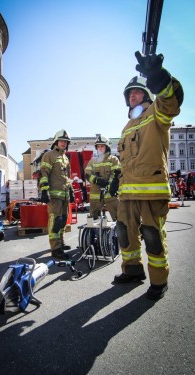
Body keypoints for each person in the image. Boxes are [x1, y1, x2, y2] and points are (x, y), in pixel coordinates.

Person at [114, 51, 184, 300]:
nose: (133, 95)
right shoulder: (126, 126)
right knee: (124, 232)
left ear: (146, 94)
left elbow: (171, 102)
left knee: (153, 236)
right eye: (129, 93)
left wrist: (159, 77)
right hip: (127, 193)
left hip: (152, 189)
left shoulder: (156, 113)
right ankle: (132, 270)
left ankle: (158, 281)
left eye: (137, 91)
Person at [39, 129, 75, 259]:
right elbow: (43, 174)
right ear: (56, 141)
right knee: (56, 221)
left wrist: (70, 191)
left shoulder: (65, 157)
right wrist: (44, 191)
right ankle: (55, 249)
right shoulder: (49, 155)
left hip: (64, 195)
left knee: (63, 220)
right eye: (61, 141)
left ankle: (60, 243)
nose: (63, 143)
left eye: (65, 141)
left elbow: (67, 177)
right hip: (54, 196)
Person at [85, 135, 120, 221]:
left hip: (111, 194)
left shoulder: (113, 160)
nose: (100, 148)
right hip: (96, 195)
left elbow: (116, 174)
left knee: (119, 219)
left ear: (107, 147)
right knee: (93, 221)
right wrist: (96, 180)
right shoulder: (93, 160)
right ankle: (96, 234)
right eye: (98, 146)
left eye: (102, 146)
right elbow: (87, 174)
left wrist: (109, 185)